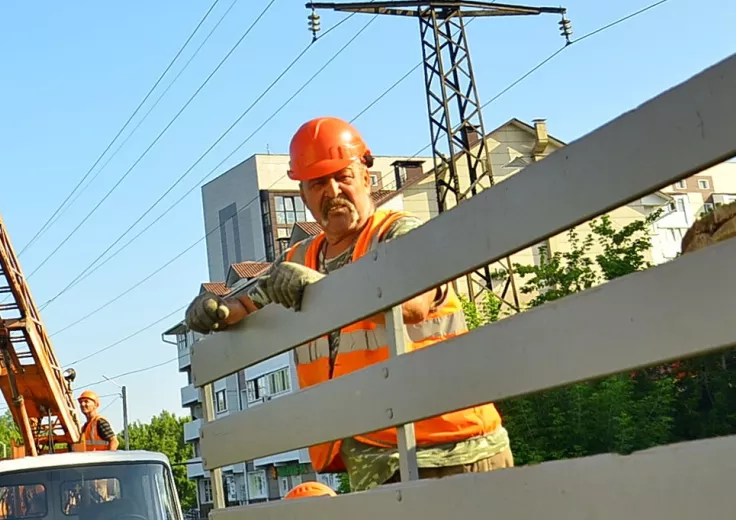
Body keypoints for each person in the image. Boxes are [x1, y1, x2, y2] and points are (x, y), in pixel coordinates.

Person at [182, 116, 511, 491]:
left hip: (453, 447)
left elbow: (415, 304)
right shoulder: (301, 258)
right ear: (302, 194)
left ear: (367, 178)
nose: (333, 190)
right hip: (375, 454)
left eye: (344, 177)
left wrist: (326, 291)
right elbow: (240, 306)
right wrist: (213, 310)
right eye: (318, 183)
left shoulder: (397, 234)